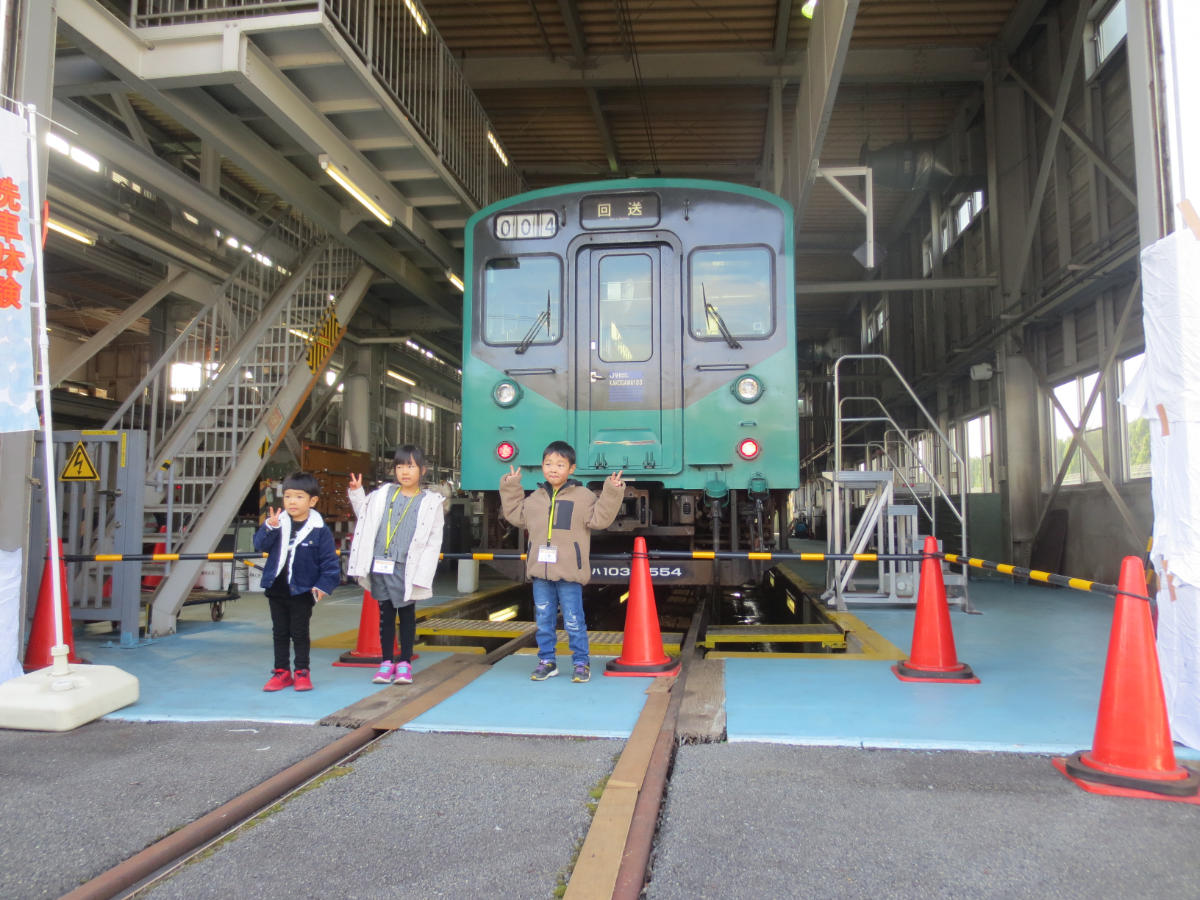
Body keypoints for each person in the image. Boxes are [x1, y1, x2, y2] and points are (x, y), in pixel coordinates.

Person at [499, 441, 624, 683]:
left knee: (574, 619)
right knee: (543, 619)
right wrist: (511, 487)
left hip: (569, 572)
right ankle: (547, 661)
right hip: (540, 573)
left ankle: (581, 662)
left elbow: (600, 520)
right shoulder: (536, 497)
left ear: (572, 469)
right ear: (542, 467)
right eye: (548, 464)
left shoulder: (584, 496)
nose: (553, 469)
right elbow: (516, 514)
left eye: (560, 464)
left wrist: (612, 490)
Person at [346, 445, 445, 686]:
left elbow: (433, 541)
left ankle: (405, 663)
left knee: (407, 614)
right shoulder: (383, 494)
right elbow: (365, 516)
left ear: (422, 470)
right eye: (400, 466)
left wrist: (424, 572)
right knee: (386, 614)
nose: (404, 472)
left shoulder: (431, 502)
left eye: (410, 466)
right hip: (380, 564)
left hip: (406, 567)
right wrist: (358, 493)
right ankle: (387, 662)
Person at [254, 471, 342, 692]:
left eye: (299, 496)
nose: (292, 501)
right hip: (276, 589)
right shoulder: (277, 523)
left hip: (302, 590)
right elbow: (260, 545)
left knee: (300, 632)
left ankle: (302, 671)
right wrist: (269, 528)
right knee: (280, 632)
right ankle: (281, 672)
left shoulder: (320, 530)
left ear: (312, 501)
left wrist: (323, 585)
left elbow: (330, 563)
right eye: (288, 496)